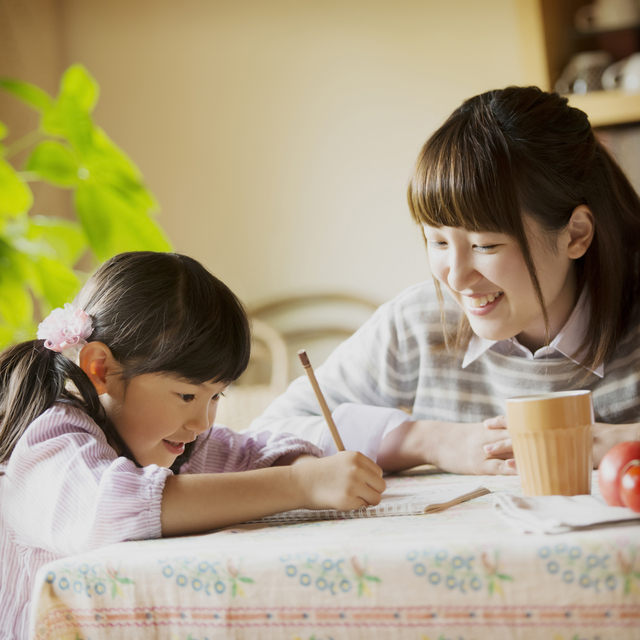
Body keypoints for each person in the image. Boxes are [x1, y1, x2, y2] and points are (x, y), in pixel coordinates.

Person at [249, 86, 640, 475]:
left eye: (485, 245)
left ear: (575, 234)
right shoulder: (418, 323)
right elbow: (262, 439)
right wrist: (426, 441)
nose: (456, 276)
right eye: (437, 241)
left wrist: (614, 441)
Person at [0, 252, 385, 640]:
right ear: (100, 368)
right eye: (186, 396)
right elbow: (115, 507)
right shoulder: (48, 438)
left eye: (216, 397)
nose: (202, 423)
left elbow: (253, 451)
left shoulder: (168, 441)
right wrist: (301, 486)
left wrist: (303, 466)